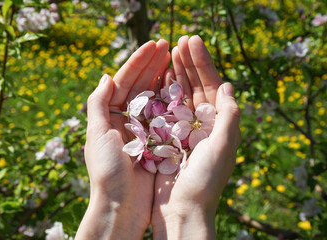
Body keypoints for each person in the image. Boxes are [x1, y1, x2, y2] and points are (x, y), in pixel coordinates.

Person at [75, 35, 241, 239]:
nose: (196, 124)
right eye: (194, 124)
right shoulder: (150, 137)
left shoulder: (181, 134)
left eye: (196, 124)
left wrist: (113, 208)